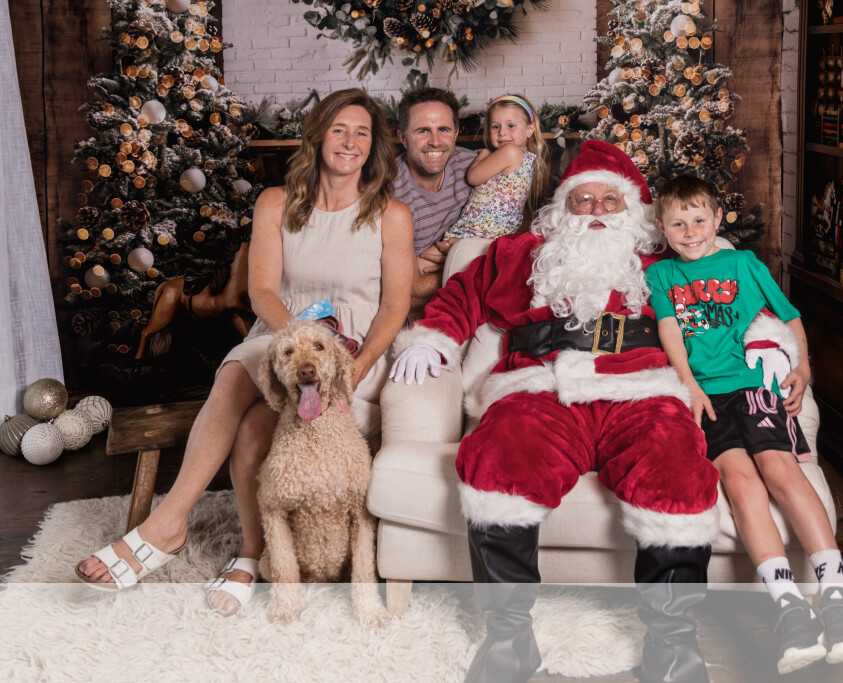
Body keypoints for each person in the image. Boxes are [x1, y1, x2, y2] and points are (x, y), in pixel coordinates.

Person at [75, 89, 415, 617]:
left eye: (362, 133)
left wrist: (352, 366)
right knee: (237, 373)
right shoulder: (276, 202)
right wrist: (295, 344)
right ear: (318, 135)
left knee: (257, 428)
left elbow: (394, 307)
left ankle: (244, 553)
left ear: (374, 147)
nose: (350, 142)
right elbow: (261, 292)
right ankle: (175, 526)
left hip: (351, 351)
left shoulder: (391, 215)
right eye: (339, 129)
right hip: (281, 333)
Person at [390, 139, 720, 683]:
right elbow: (462, 294)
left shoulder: (664, 261)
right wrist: (433, 339)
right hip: (542, 387)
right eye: (582, 199)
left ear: (633, 207)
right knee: (498, 459)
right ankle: (509, 640)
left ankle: (673, 645)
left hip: (640, 390)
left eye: (609, 199)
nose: (595, 210)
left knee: (677, 469)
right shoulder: (520, 253)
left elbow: (728, 301)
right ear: (562, 207)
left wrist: (769, 343)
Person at [644, 174, 843, 674]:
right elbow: (670, 332)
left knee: (778, 469)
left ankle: (840, 600)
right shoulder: (661, 276)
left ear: (717, 220)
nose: (690, 232)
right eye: (678, 224)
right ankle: (790, 608)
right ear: (661, 228)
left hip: (753, 386)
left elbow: (789, 317)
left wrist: (803, 367)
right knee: (739, 483)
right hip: (708, 397)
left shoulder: (744, 264)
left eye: (699, 220)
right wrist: (689, 386)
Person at [392, 87, 476, 312]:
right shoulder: (388, 191)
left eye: (444, 130)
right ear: (403, 137)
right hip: (412, 315)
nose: (436, 141)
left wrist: (461, 254)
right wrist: (468, 263)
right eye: (423, 131)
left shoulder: (475, 168)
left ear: (456, 134)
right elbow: (410, 292)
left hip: (463, 305)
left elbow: (514, 225)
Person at [442, 94, 547, 241]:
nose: (502, 132)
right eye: (496, 126)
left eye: (511, 126)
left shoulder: (510, 151)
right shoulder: (524, 157)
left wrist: (484, 154)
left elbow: (472, 177)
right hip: (491, 232)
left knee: (425, 255)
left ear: (530, 129)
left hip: (480, 231)